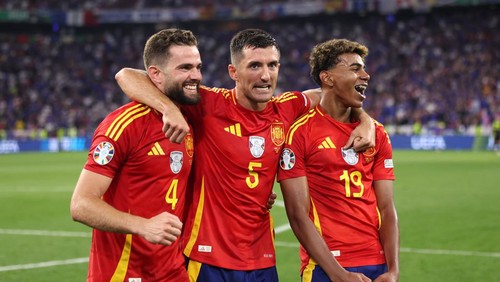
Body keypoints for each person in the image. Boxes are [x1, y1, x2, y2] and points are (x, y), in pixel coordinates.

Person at [115, 29, 375, 281]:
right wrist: (168, 108)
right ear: (233, 72)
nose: (265, 75)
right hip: (207, 258)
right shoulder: (208, 104)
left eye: (272, 65)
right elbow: (126, 75)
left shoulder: (286, 108)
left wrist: (366, 120)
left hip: (262, 258)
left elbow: (333, 94)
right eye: (254, 66)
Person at [70, 28, 202, 281]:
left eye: (198, 66)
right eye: (185, 67)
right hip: (124, 273)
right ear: (155, 74)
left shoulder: (189, 120)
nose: (195, 75)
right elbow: (81, 204)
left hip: (173, 271)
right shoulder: (124, 124)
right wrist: (144, 225)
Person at [277, 38, 399, 282]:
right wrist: (338, 274)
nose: (366, 75)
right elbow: (297, 215)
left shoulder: (377, 133)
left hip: (377, 263)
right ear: (328, 78)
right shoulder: (300, 133)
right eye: (355, 68)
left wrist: (393, 270)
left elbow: (386, 208)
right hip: (326, 267)